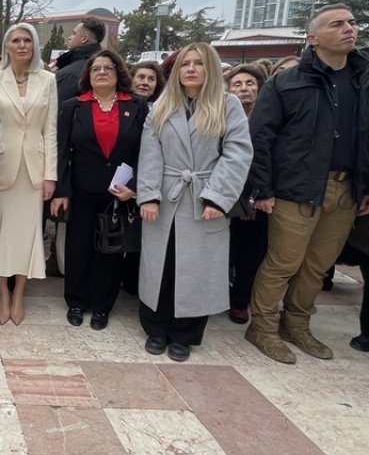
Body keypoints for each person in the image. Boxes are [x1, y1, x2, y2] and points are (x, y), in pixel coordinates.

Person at [245, 4, 369, 364]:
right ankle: (262, 326)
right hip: (296, 189)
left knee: (318, 265)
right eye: (337, 24)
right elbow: (260, 137)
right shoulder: (288, 81)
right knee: (283, 262)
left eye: (352, 22)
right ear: (313, 38)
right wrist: (262, 189)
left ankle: (296, 324)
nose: (349, 29)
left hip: (346, 190)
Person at [136, 44, 253, 362]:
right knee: (161, 265)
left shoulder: (227, 105)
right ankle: (156, 328)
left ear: (210, 69)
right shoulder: (161, 105)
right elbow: (149, 152)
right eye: (184, 64)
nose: (190, 69)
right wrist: (147, 194)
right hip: (166, 194)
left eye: (198, 63)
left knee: (195, 268)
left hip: (204, 196)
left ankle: (185, 334)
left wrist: (218, 196)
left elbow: (238, 153)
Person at [52, 50, 147, 330]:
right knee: (78, 247)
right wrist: (61, 190)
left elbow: (147, 151)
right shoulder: (73, 106)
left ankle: (103, 306)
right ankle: (77, 302)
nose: (102, 72)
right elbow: (61, 151)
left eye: (108, 68)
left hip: (120, 193)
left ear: (119, 74)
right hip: (82, 189)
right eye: (96, 69)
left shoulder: (137, 106)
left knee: (111, 250)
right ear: (88, 76)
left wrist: (135, 187)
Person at [0, 23, 57, 325]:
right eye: (16, 40)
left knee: (27, 235)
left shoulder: (48, 80)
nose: (22, 45)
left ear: (35, 45)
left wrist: (50, 174)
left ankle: (20, 293)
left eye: (27, 40)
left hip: (34, 171)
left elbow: (50, 130)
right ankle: (2, 293)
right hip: (1, 167)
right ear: (6, 47)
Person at [225, 63, 269, 324]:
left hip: (257, 194)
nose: (244, 89)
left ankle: (240, 301)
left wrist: (260, 193)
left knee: (250, 252)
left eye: (250, 83)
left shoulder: (267, 119)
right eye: (237, 84)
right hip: (226, 193)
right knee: (224, 249)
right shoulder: (222, 116)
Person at [54, 18, 107, 103]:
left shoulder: (68, 74)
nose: (69, 38)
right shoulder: (110, 70)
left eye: (74, 34)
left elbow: (59, 110)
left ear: (84, 39)